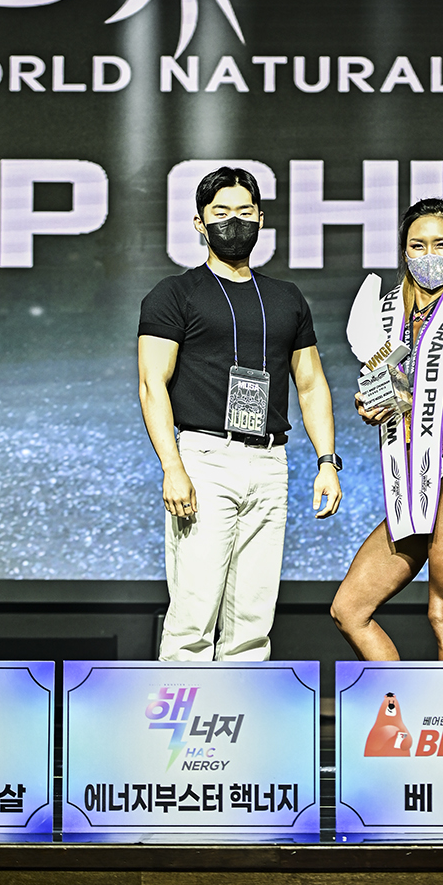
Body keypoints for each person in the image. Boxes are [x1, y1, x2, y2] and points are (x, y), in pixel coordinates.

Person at [138, 166, 342, 660]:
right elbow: (151, 384)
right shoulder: (175, 293)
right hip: (205, 458)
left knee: (253, 616)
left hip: (270, 461)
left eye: (245, 211)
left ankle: (240, 707)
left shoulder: (286, 297)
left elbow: (311, 383)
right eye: (222, 212)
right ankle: (180, 709)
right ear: (200, 222)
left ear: (261, 218)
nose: (235, 221)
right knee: (194, 611)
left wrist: (327, 461)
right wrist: (172, 468)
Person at [331, 199, 443, 661]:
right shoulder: (384, 315)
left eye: (441, 244)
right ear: (404, 251)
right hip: (408, 483)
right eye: (418, 245)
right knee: (349, 609)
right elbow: (387, 391)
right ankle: (403, 705)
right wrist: (367, 403)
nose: (429, 254)